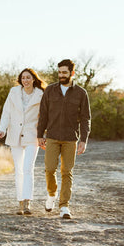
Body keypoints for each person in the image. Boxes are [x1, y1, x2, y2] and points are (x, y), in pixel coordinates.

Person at [37, 59, 91, 219]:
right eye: (59, 72)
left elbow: (85, 118)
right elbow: (43, 114)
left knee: (67, 172)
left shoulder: (81, 93)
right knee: (49, 169)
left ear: (72, 73)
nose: (61, 75)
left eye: (64, 73)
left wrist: (83, 140)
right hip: (52, 136)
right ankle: (52, 194)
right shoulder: (50, 91)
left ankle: (64, 206)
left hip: (70, 139)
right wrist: (40, 135)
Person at [0, 68, 46, 215]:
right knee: (18, 170)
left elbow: (44, 116)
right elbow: (6, 112)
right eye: (23, 78)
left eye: (28, 78)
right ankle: (20, 201)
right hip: (15, 134)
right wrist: (2, 129)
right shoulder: (13, 92)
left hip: (32, 135)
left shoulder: (40, 94)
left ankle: (27, 203)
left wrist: (44, 134)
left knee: (27, 169)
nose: (25, 80)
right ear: (20, 79)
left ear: (33, 79)